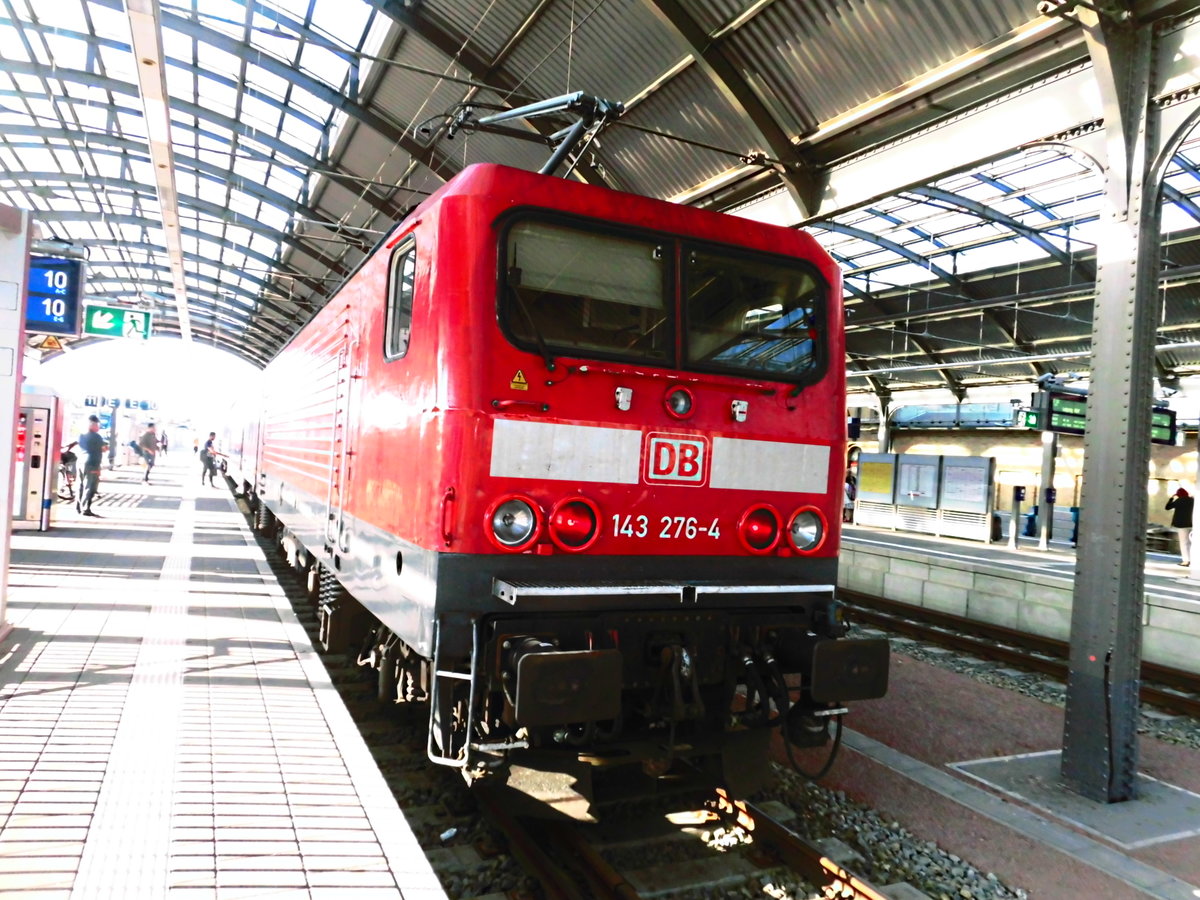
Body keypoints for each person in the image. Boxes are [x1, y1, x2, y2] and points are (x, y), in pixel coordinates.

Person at [76, 415, 107, 517]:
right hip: (92, 463)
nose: (98, 427)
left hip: (80, 462)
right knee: (90, 486)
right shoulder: (96, 436)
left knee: (80, 485)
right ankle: (85, 508)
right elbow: (104, 448)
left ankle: (78, 507)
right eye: (97, 424)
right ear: (93, 424)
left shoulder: (81, 435)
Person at [1167, 488, 1194, 567]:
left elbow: (1167, 507)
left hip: (1182, 525)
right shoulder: (1192, 500)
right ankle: (1191, 559)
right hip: (1192, 524)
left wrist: (1171, 498)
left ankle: (1186, 561)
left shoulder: (1179, 500)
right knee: (1190, 543)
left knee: (1184, 543)